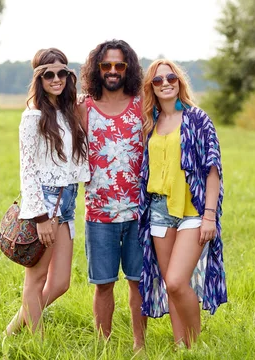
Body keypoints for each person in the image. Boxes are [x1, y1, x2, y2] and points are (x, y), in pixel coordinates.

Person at [137, 59, 226, 348]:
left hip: (193, 211)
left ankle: (195, 345)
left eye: (171, 78)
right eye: (158, 80)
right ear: (151, 87)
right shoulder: (150, 123)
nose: (165, 83)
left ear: (179, 82)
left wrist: (210, 215)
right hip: (159, 211)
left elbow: (213, 169)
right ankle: (181, 347)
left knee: (176, 281)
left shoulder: (197, 119)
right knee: (170, 286)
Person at [5, 48, 89, 336]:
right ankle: (39, 344)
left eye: (62, 73)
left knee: (60, 282)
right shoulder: (33, 116)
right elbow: (26, 169)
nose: (56, 79)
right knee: (37, 278)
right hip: (45, 202)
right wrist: (39, 215)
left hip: (67, 203)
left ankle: (11, 331)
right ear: (39, 79)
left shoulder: (68, 111)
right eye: (49, 74)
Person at [77, 39, 147, 350]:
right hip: (99, 213)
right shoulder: (83, 107)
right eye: (106, 65)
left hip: (138, 212)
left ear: (128, 68)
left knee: (137, 282)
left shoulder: (142, 104)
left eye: (120, 65)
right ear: (97, 69)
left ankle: (139, 346)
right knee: (103, 285)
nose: (113, 71)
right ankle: (104, 348)